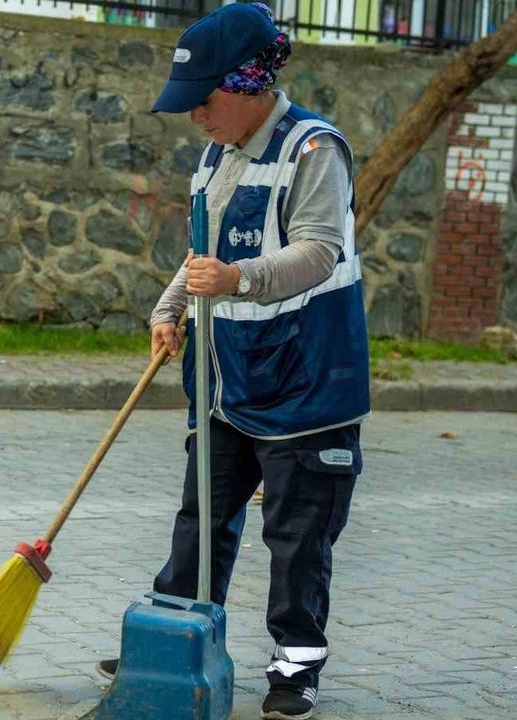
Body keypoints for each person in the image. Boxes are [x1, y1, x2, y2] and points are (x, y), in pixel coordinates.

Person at [95, 5, 369, 720]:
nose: (195, 119)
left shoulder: (314, 150)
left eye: (204, 102)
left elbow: (318, 250)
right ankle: (174, 642)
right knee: (202, 518)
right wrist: (170, 307)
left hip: (309, 381)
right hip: (225, 379)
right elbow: (203, 253)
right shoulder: (217, 152)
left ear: (249, 85)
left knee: (297, 531)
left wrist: (237, 280)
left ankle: (294, 668)